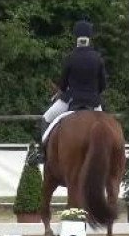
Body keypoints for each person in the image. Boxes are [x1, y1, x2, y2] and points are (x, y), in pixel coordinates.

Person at [31, 19, 108, 164]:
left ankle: (42, 153)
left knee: (46, 119)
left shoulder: (70, 57)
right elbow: (103, 85)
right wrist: (93, 92)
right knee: (106, 127)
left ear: (76, 37)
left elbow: (63, 83)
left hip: (71, 100)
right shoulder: (98, 58)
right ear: (90, 38)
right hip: (93, 102)